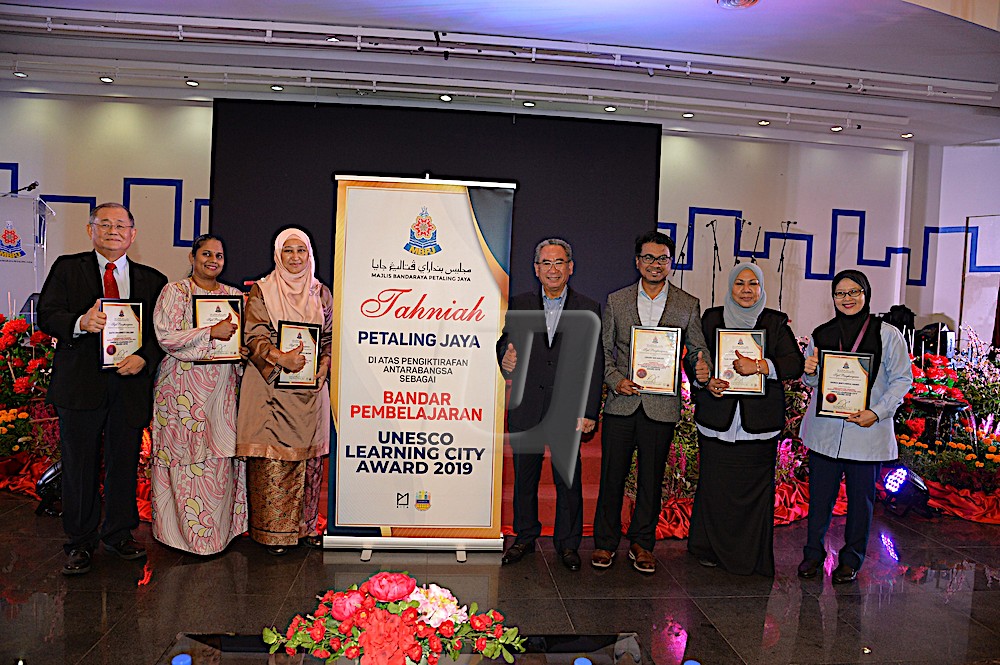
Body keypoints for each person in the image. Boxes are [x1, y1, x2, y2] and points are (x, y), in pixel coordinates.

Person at [37, 202, 168, 575]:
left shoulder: (152, 280)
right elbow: (47, 315)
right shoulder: (67, 268)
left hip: (129, 386)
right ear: (90, 230)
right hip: (80, 386)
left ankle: (119, 534)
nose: (113, 231)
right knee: (79, 466)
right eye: (105, 224)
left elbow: (162, 333)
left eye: (121, 225)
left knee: (123, 464)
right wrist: (81, 321)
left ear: (133, 234)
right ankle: (80, 542)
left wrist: (144, 358)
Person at [593, 230, 710, 574]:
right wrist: (615, 380)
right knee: (611, 477)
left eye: (662, 258)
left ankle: (642, 544)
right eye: (648, 257)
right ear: (637, 261)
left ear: (671, 263)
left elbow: (697, 348)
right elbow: (603, 350)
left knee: (651, 479)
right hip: (622, 402)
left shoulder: (688, 304)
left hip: (661, 406)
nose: (655, 264)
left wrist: (701, 364)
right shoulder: (617, 300)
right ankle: (605, 543)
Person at [687, 262, 804, 576]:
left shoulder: (775, 322)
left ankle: (748, 554)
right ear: (730, 287)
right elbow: (695, 357)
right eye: (740, 283)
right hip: (717, 421)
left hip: (758, 426)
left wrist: (762, 366)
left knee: (754, 493)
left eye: (753, 283)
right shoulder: (712, 319)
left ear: (762, 287)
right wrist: (702, 378)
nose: (747, 290)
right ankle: (708, 549)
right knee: (714, 488)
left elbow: (794, 363)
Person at [797, 269, 911, 583]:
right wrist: (809, 371)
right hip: (825, 433)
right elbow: (811, 381)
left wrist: (877, 412)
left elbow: (902, 379)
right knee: (819, 499)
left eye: (853, 292)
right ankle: (812, 554)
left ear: (866, 294)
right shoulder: (822, 333)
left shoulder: (887, 334)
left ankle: (851, 558)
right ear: (833, 298)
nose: (847, 299)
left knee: (861, 502)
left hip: (866, 432)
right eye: (840, 293)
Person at [497, 238, 604, 572]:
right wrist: (504, 357)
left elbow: (595, 361)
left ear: (570, 267)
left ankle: (568, 544)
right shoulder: (520, 304)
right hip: (527, 405)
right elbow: (505, 342)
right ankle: (525, 537)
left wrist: (589, 410)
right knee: (525, 479)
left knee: (568, 481)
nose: (553, 269)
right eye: (546, 263)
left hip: (568, 409)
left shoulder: (588, 307)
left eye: (559, 262)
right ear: (536, 268)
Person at [236, 228, 332, 555]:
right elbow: (254, 335)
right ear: (278, 254)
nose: (295, 257)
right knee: (274, 459)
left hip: (309, 389)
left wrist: (324, 366)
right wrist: (281, 359)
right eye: (288, 250)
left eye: (301, 250)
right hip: (270, 388)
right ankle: (272, 533)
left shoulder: (321, 292)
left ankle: (305, 527)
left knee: (309, 461)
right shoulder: (263, 290)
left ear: (310, 255)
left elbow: (329, 337)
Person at [150, 234, 248, 555]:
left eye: (219, 256)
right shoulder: (175, 292)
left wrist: (242, 350)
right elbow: (166, 336)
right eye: (206, 254)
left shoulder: (233, 296)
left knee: (218, 460)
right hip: (181, 392)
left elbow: (241, 339)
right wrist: (210, 332)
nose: (213, 261)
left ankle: (218, 536)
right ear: (192, 257)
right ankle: (179, 536)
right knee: (182, 459)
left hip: (222, 392)